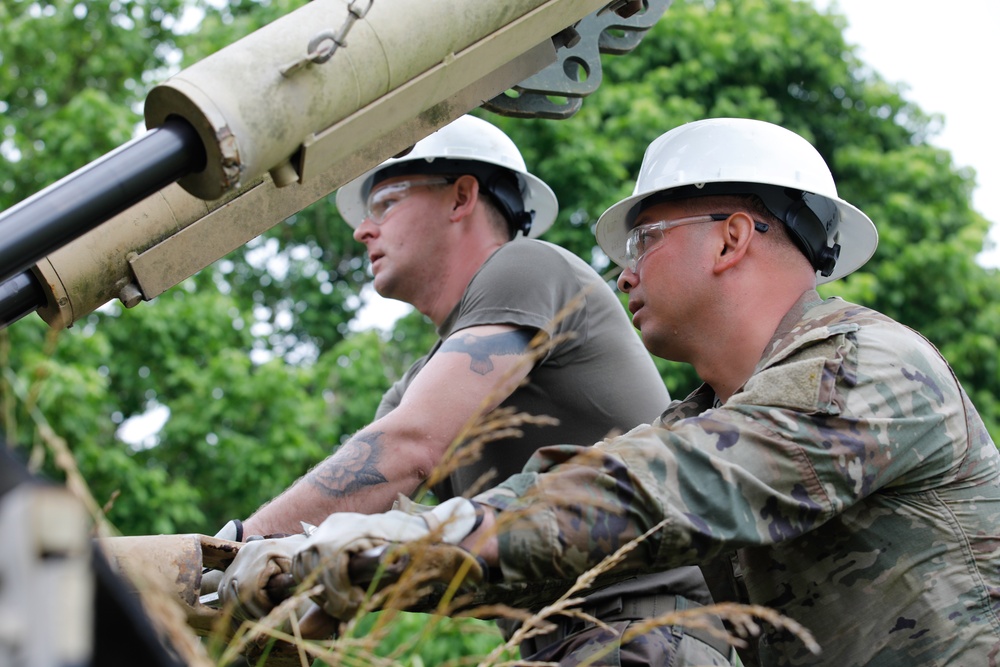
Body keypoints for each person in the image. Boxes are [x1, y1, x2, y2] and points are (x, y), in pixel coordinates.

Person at [232, 117, 1000, 666]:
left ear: (732, 237)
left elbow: (648, 489)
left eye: (644, 240)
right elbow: (580, 476)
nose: (624, 273)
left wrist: (392, 544)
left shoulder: (866, 367)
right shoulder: (704, 415)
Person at [215, 115, 734, 665]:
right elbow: (359, 506)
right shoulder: (418, 389)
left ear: (461, 196)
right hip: (575, 643)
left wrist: (227, 547)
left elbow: (408, 449)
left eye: (385, 202)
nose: (363, 230)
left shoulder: (528, 266)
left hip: (641, 634)